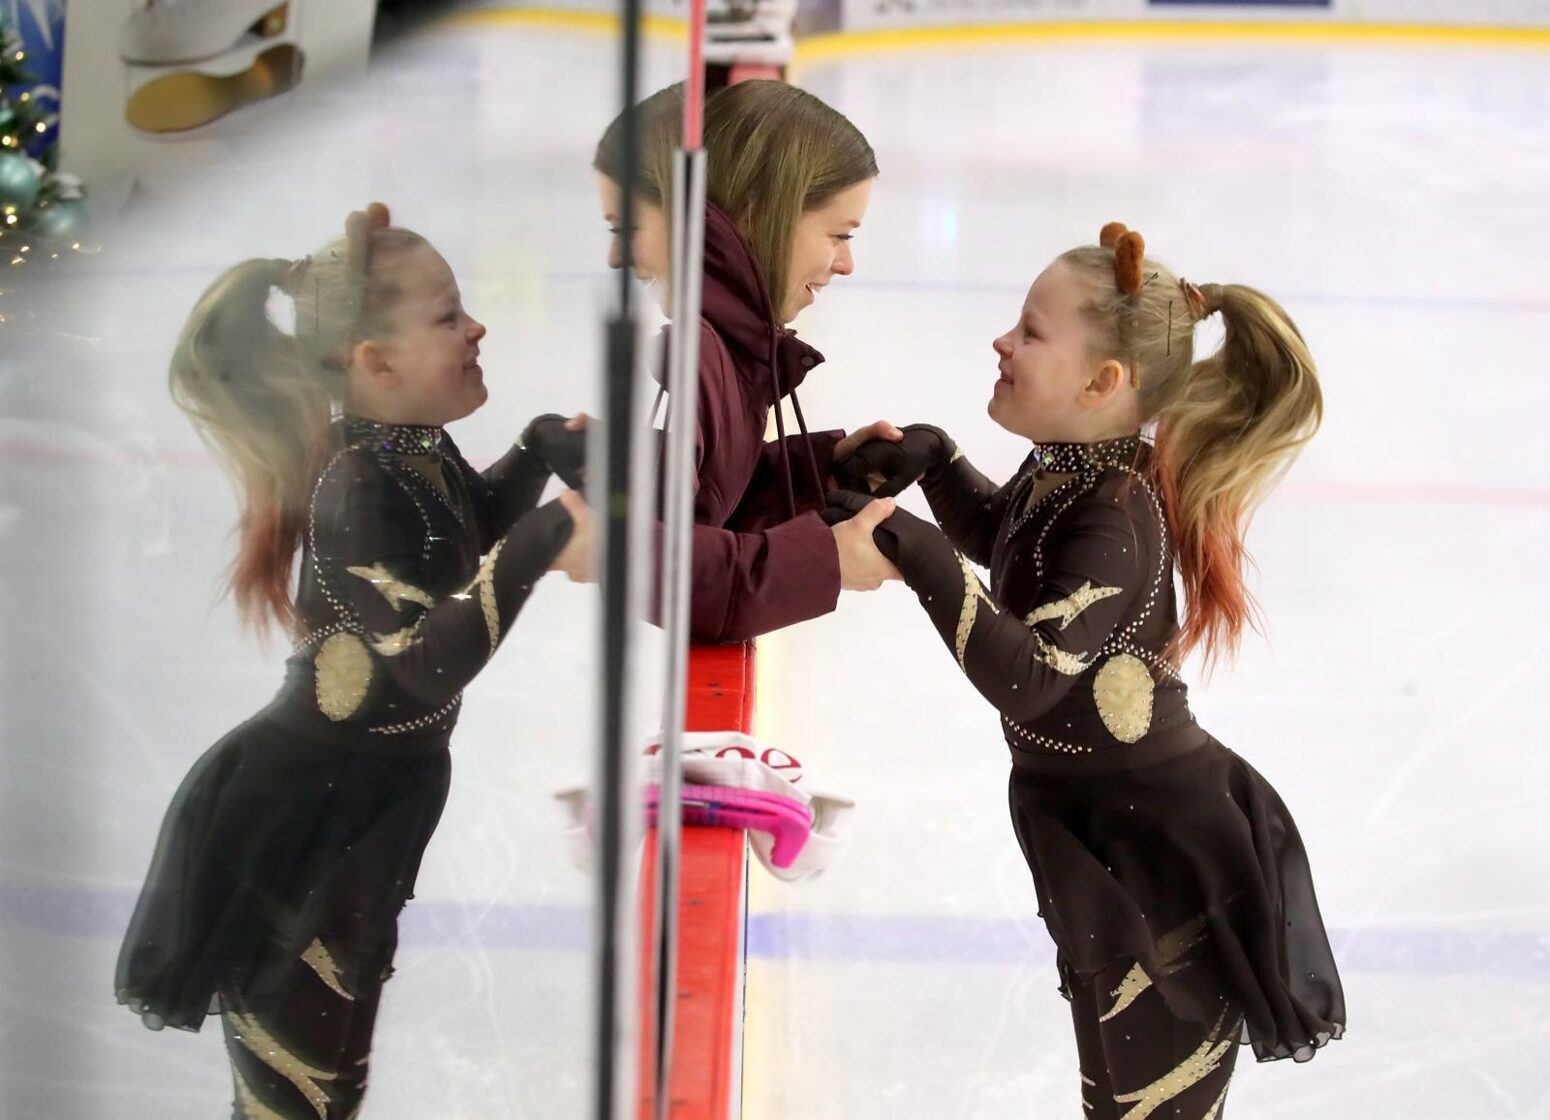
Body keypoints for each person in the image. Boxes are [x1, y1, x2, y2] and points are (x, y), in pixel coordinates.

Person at [831, 223, 1345, 1117]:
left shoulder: (1115, 515)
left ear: (1102, 383)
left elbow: (1032, 676)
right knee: (1118, 1097)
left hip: (1157, 848)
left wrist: (910, 544)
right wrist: (935, 461)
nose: (1002, 341)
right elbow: (1007, 538)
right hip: (1102, 820)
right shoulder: (1071, 471)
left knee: (1145, 1103)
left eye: (1031, 332)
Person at [115, 203, 592, 1118]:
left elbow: (458, 540)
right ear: (376, 363)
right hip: (305, 814)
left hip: (367, 796)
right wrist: (547, 536)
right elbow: (419, 663)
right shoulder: (357, 488)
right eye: (448, 317)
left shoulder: (409, 448)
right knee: (303, 1088)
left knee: (329, 1078)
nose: (477, 328)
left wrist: (536, 449)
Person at [594, 81, 901, 643]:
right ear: (762, 216)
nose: (847, 263)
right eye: (838, 235)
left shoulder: (731, 344)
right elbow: (649, 563)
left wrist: (821, 472)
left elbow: (712, 499)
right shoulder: (693, 356)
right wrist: (826, 562)